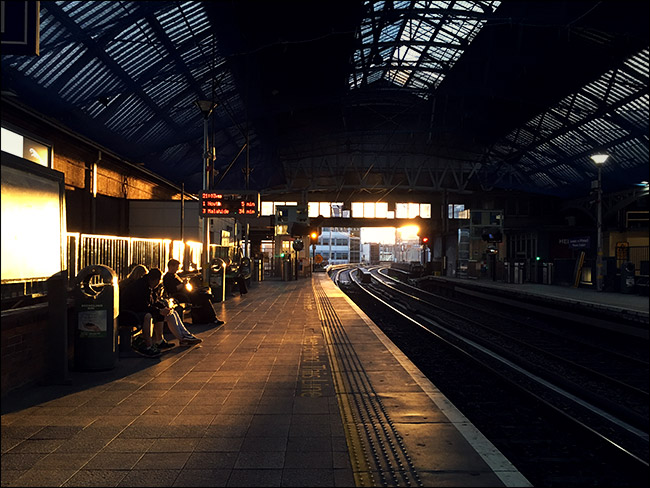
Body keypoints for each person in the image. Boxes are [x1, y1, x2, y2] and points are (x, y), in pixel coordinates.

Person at [163, 258, 224, 326]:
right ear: (171, 266)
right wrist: (183, 283)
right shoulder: (168, 277)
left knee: (203, 294)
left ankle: (209, 318)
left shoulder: (174, 275)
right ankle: (212, 318)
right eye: (176, 267)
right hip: (180, 295)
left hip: (185, 293)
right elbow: (173, 289)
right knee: (204, 298)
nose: (177, 269)